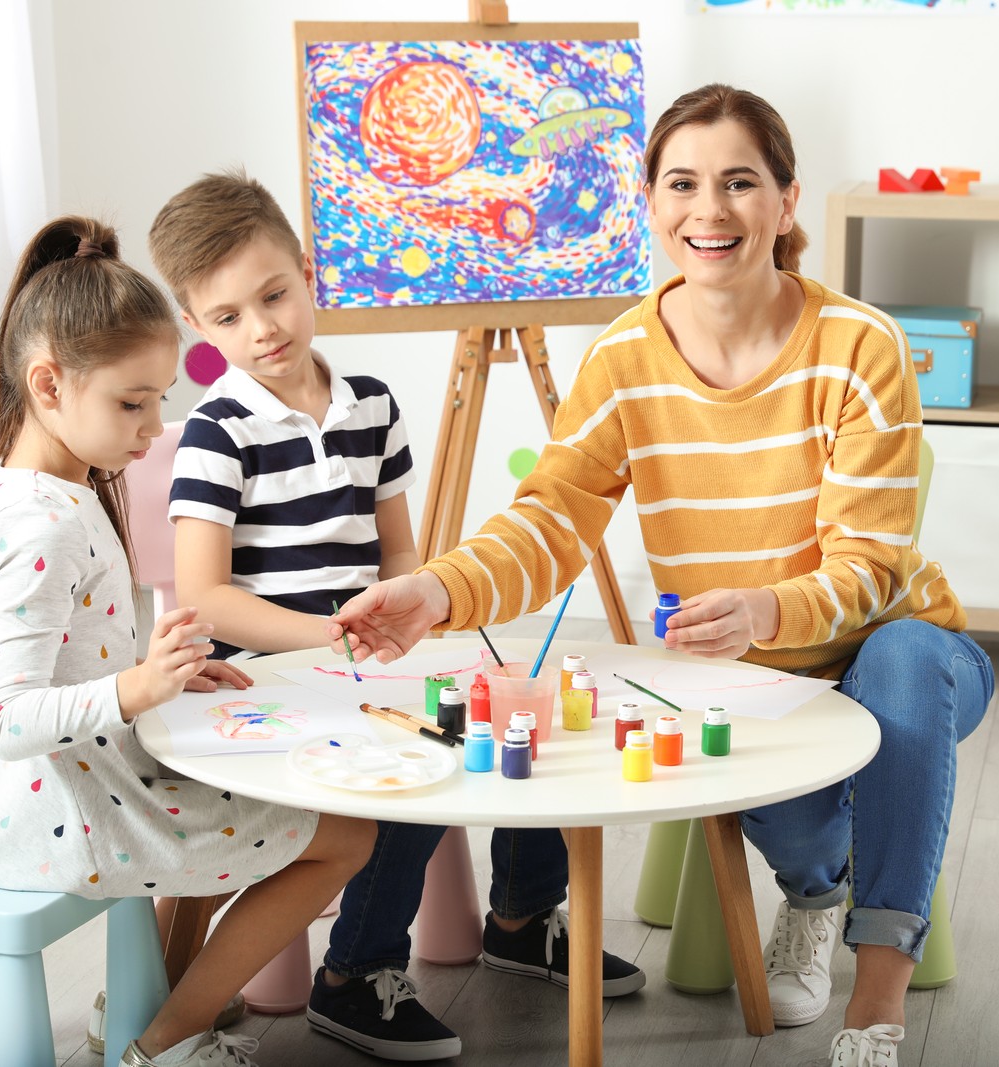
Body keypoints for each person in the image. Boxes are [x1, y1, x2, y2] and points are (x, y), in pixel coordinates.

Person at [328, 84, 995, 1067]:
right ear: (649, 201)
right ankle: (813, 893)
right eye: (682, 183)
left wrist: (769, 605)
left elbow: (870, 564)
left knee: (900, 659)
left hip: (898, 652)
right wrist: (436, 590)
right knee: (804, 831)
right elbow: (550, 520)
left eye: (739, 182)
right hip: (745, 679)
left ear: (786, 199)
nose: (710, 210)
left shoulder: (862, 345)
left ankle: (876, 1001)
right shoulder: (626, 356)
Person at [147, 171, 644, 1062]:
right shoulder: (217, 431)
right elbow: (208, 598)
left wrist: (409, 625)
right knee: (413, 770)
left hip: (361, 664)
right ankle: (355, 976)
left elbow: (401, 556)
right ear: (196, 324)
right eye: (227, 317)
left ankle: (524, 917)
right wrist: (329, 634)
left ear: (308, 271)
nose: (261, 328)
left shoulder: (371, 405)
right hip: (264, 683)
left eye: (274, 295)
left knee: (516, 711)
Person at [0, 216, 376, 1067]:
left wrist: (160, 672)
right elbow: (6, 721)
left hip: (77, 777)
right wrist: (137, 688)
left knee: (239, 776)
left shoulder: (52, 488)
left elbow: (59, 661)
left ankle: (143, 1001)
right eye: (133, 402)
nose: (155, 426)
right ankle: (163, 1039)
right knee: (348, 833)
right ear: (47, 384)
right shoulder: (39, 522)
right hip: (48, 808)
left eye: (160, 398)